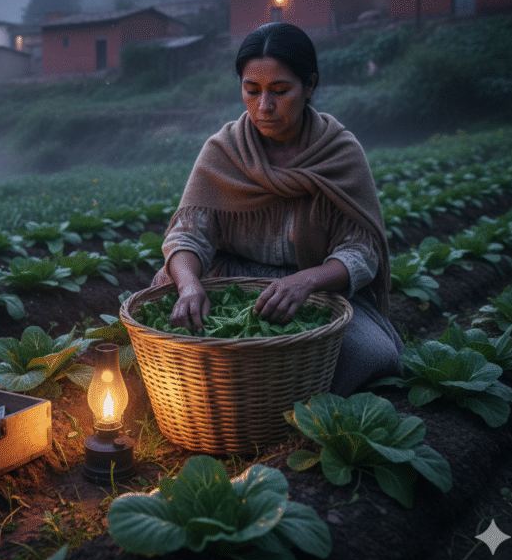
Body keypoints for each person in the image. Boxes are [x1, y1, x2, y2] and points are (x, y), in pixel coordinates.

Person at [153, 22, 403, 397]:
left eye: (280, 91)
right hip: (230, 281)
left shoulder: (340, 153)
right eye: (251, 91)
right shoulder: (223, 152)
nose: (264, 106)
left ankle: (287, 415)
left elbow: (361, 253)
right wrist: (189, 285)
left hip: (316, 288)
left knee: (369, 354)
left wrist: (305, 282)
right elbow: (188, 236)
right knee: (172, 341)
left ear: (310, 85)